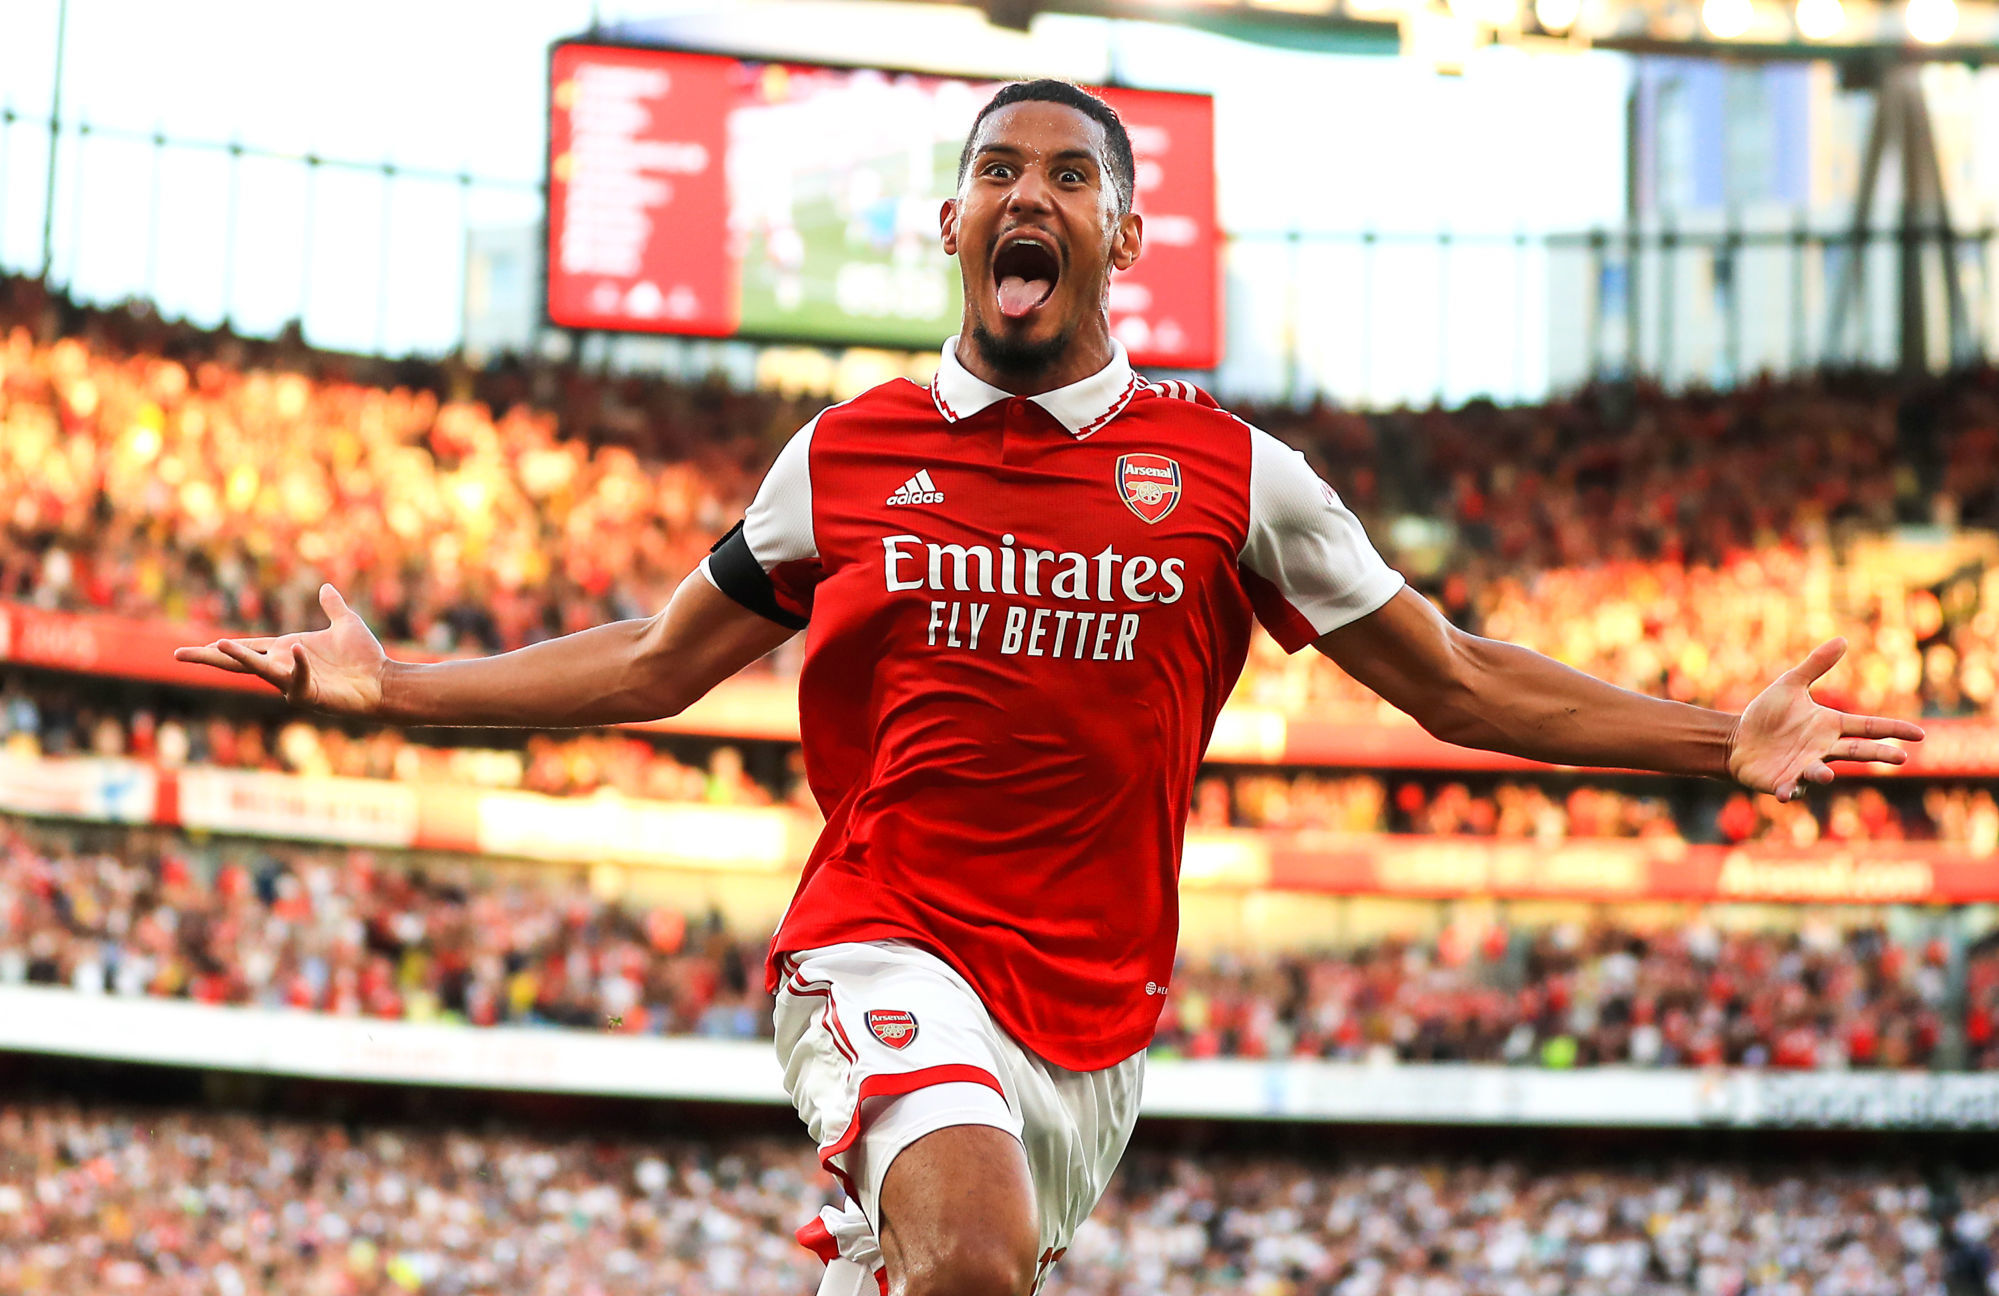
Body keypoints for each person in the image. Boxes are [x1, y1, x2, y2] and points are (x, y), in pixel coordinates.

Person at [176, 79, 1924, 1296]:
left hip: (1092, 1022)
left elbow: (1458, 682)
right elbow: (649, 661)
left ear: (1126, 232)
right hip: (882, 937)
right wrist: (395, 689)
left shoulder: (1237, 479)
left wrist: (1720, 738)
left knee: (958, 1272)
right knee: (970, 1257)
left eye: (1071, 178)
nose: (1031, 197)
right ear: (951, 223)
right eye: (999, 172)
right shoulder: (845, 456)